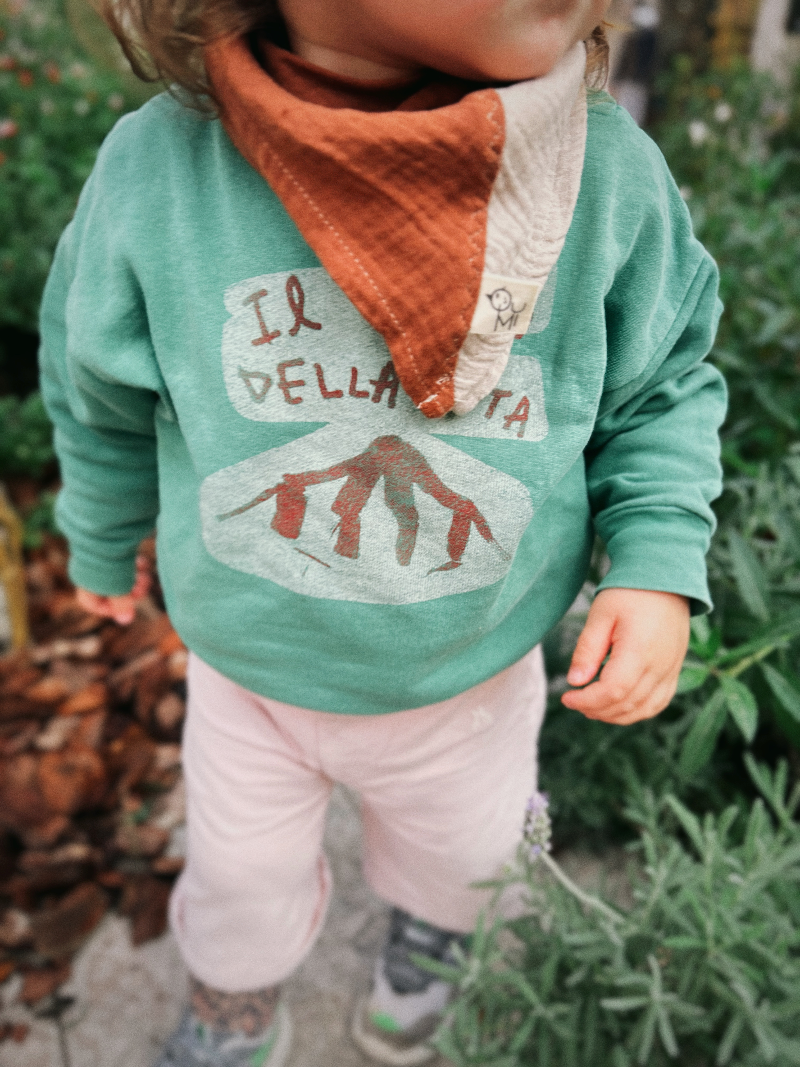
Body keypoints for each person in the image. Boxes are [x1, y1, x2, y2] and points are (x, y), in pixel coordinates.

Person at [38, 1, 727, 1064]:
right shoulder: (163, 173)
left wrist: (655, 555)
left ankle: (427, 943)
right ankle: (231, 997)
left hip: (471, 673)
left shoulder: (602, 181)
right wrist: (100, 530)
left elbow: (659, 382)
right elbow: (95, 388)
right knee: (237, 875)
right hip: (249, 673)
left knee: (465, 857)